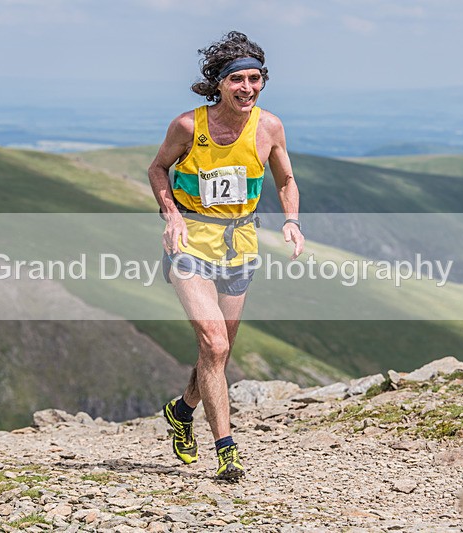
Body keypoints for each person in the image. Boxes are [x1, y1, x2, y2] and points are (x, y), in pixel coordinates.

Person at [148, 31, 304, 480]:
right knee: (213, 344)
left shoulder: (270, 127)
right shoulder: (187, 127)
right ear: (219, 83)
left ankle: (182, 410)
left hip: (241, 245)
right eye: (238, 80)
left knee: (219, 352)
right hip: (190, 245)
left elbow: (286, 180)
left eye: (256, 79)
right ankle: (227, 450)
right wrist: (171, 216)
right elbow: (158, 168)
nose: (248, 88)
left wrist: (291, 221)